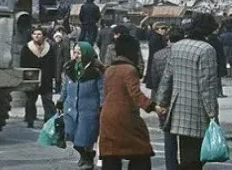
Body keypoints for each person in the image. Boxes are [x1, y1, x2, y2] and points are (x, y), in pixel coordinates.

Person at [156, 13, 220, 170]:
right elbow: (208, 85)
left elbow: (167, 78)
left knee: (186, 151)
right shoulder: (207, 50)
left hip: (178, 106)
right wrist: (213, 113)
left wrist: (161, 102)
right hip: (197, 108)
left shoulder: (177, 46)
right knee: (196, 156)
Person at [99, 34, 164, 170]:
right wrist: (153, 106)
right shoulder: (129, 70)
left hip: (107, 116)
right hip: (125, 116)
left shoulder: (109, 70)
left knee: (111, 153)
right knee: (141, 150)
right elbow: (136, 94)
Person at [57, 42, 105, 170]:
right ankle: (87, 154)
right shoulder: (69, 68)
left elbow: (102, 91)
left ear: (87, 54)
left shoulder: (96, 72)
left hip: (88, 109)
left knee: (84, 137)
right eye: (75, 52)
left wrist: (102, 106)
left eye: (79, 53)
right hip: (71, 108)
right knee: (70, 134)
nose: (76, 55)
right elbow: (64, 87)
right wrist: (60, 101)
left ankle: (87, 159)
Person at [150, 27, 185, 170]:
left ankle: (171, 166)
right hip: (182, 97)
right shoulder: (184, 54)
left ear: (168, 39)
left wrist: (156, 101)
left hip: (164, 99)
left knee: (168, 136)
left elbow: (154, 80)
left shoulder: (158, 55)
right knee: (184, 136)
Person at [20, 27, 56, 128]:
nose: (36, 36)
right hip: (31, 79)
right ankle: (30, 120)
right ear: (31, 36)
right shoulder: (27, 48)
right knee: (30, 101)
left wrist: (54, 77)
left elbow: (53, 63)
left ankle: (49, 120)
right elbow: (22, 64)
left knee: (48, 100)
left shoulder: (49, 48)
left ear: (43, 36)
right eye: (34, 34)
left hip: (46, 79)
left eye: (39, 34)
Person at [144, 22, 169, 89]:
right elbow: (158, 50)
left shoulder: (156, 36)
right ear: (158, 29)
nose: (165, 31)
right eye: (163, 29)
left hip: (153, 58)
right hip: (156, 59)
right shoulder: (156, 38)